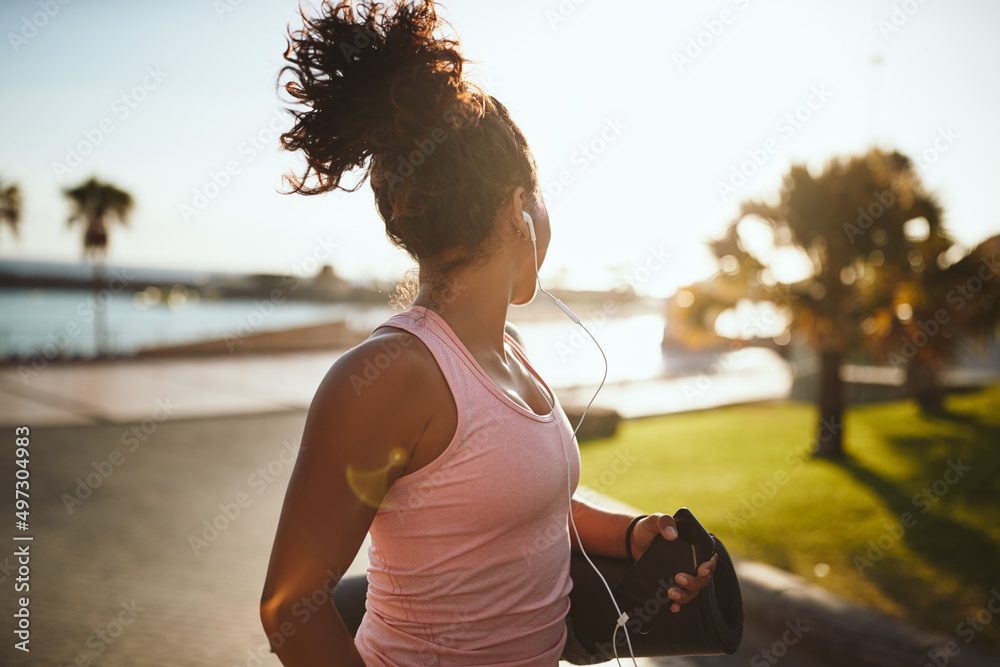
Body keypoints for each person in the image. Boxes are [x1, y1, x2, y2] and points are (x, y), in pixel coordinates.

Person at [259, 1, 718, 664]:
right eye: (541, 194)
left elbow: (524, 508)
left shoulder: (512, 356)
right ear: (518, 209)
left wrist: (634, 532)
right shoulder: (393, 376)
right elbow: (289, 606)